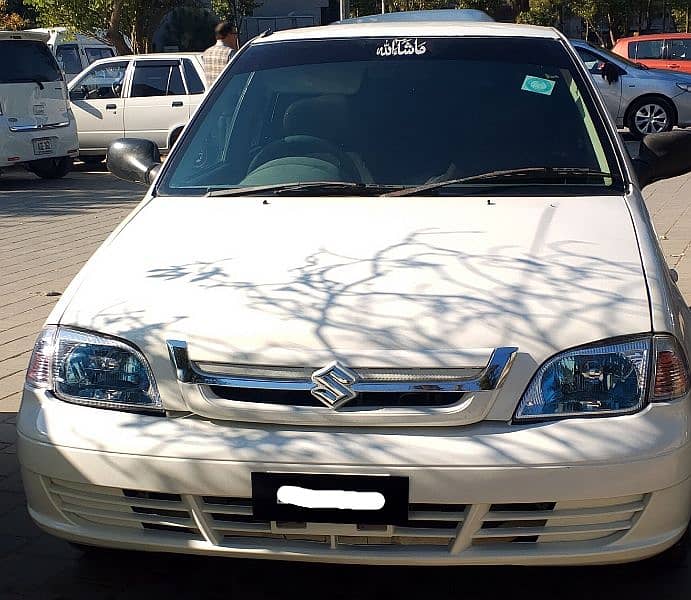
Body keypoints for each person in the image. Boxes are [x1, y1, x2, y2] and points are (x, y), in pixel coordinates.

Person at [202, 21, 238, 86]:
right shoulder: (230, 53)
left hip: (213, 94)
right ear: (229, 35)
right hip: (229, 92)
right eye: (235, 33)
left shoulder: (206, 53)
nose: (236, 36)